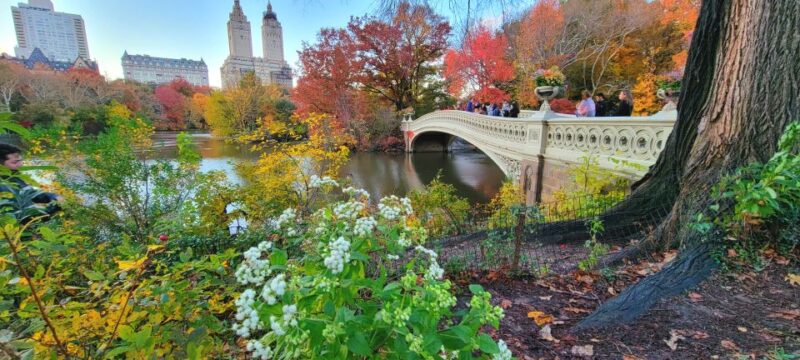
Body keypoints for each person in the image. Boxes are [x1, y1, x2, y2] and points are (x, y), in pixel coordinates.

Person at [0, 144, 62, 212]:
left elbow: (31, 194)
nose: (21, 164)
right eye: (15, 162)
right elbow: (17, 213)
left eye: (20, 160)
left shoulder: (15, 176)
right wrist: (51, 210)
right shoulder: (4, 183)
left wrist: (54, 197)